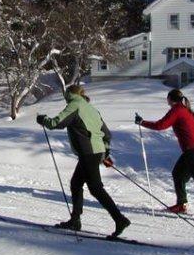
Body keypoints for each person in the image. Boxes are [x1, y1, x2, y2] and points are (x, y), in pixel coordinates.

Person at [37, 84, 131, 238]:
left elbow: (57, 123)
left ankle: (120, 219)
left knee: (95, 188)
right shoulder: (91, 108)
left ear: (69, 94)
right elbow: (106, 133)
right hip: (95, 151)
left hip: (88, 152)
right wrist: (105, 152)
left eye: (65, 95)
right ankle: (75, 219)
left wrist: (43, 119)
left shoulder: (75, 105)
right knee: (76, 183)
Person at [135, 89, 194, 221]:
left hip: (193, 151)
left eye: (167, 98)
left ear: (170, 99)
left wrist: (142, 122)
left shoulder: (177, 110)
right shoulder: (185, 110)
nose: (167, 101)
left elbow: (161, 125)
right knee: (178, 174)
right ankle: (181, 204)